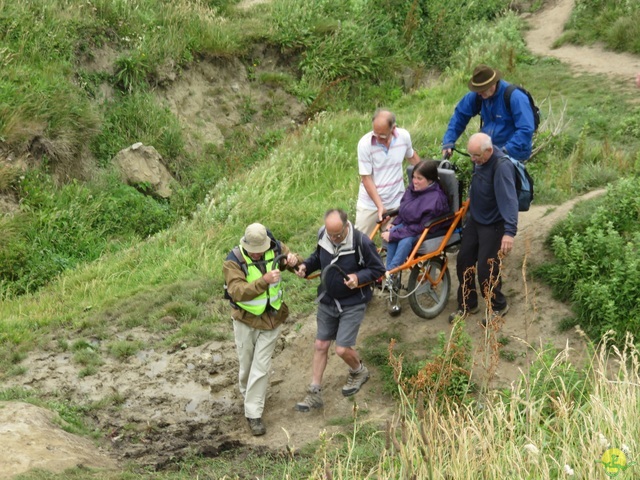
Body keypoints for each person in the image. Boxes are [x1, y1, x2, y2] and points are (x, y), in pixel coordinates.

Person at [294, 209, 385, 412]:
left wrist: (358, 278)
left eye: (337, 235)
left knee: (342, 349)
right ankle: (314, 392)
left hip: (353, 302)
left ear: (346, 227)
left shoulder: (361, 242)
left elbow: (379, 270)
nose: (333, 239)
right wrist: (305, 267)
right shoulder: (323, 234)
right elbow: (318, 257)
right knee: (320, 344)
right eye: (330, 234)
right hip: (327, 300)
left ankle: (359, 371)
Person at [223, 223, 303, 436]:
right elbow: (238, 292)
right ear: (245, 246)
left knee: (261, 367)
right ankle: (249, 396)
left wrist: (295, 260)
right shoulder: (233, 261)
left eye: (261, 251)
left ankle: (253, 414)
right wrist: (264, 281)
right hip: (245, 321)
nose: (258, 255)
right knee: (247, 366)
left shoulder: (276, 248)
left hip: (272, 319)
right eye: (254, 252)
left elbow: (295, 264)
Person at [449, 133, 518, 326]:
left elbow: (510, 200)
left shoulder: (501, 166)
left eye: (476, 156)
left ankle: (498, 306)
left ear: (488, 150)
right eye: (471, 155)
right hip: (475, 220)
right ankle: (468, 304)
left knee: (486, 268)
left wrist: (509, 232)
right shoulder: (479, 160)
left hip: (495, 224)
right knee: (464, 262)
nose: (473, 160)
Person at [442, 65, 535, 163]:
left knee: (502, 177)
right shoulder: (478, 95)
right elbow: (460, 115)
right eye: (477, 90)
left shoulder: (516, 97)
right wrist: (449, 141)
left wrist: (504, 151)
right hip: (488, 153)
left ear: (492, 84)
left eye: (482, 90)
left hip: (513, 155)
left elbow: (526, 129)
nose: (478, 93)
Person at [356, 109, 421, 236]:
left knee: (392, 240)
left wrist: (429, 176)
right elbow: (366, 178)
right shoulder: (364, 144)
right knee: (360, 242)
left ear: (393, 128)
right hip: (369, 205)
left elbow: (412, 157)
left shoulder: (404, 137)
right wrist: (380, 206)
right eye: (376, 134)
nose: (378, 138)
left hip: (396, 201)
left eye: (383, 135)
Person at [381, 160, 450, 275]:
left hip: (427, 227)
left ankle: (391, 271)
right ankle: (389, 272)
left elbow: (421, 226)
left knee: (404, 241)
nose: (415, 182)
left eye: (419, 178)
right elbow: (405, 209)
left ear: (430, 180)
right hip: (412, 224)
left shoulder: (435, 199)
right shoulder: (413, 189)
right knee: (393, 231)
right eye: (414, 177)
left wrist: (394, 234)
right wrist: (395, 223)